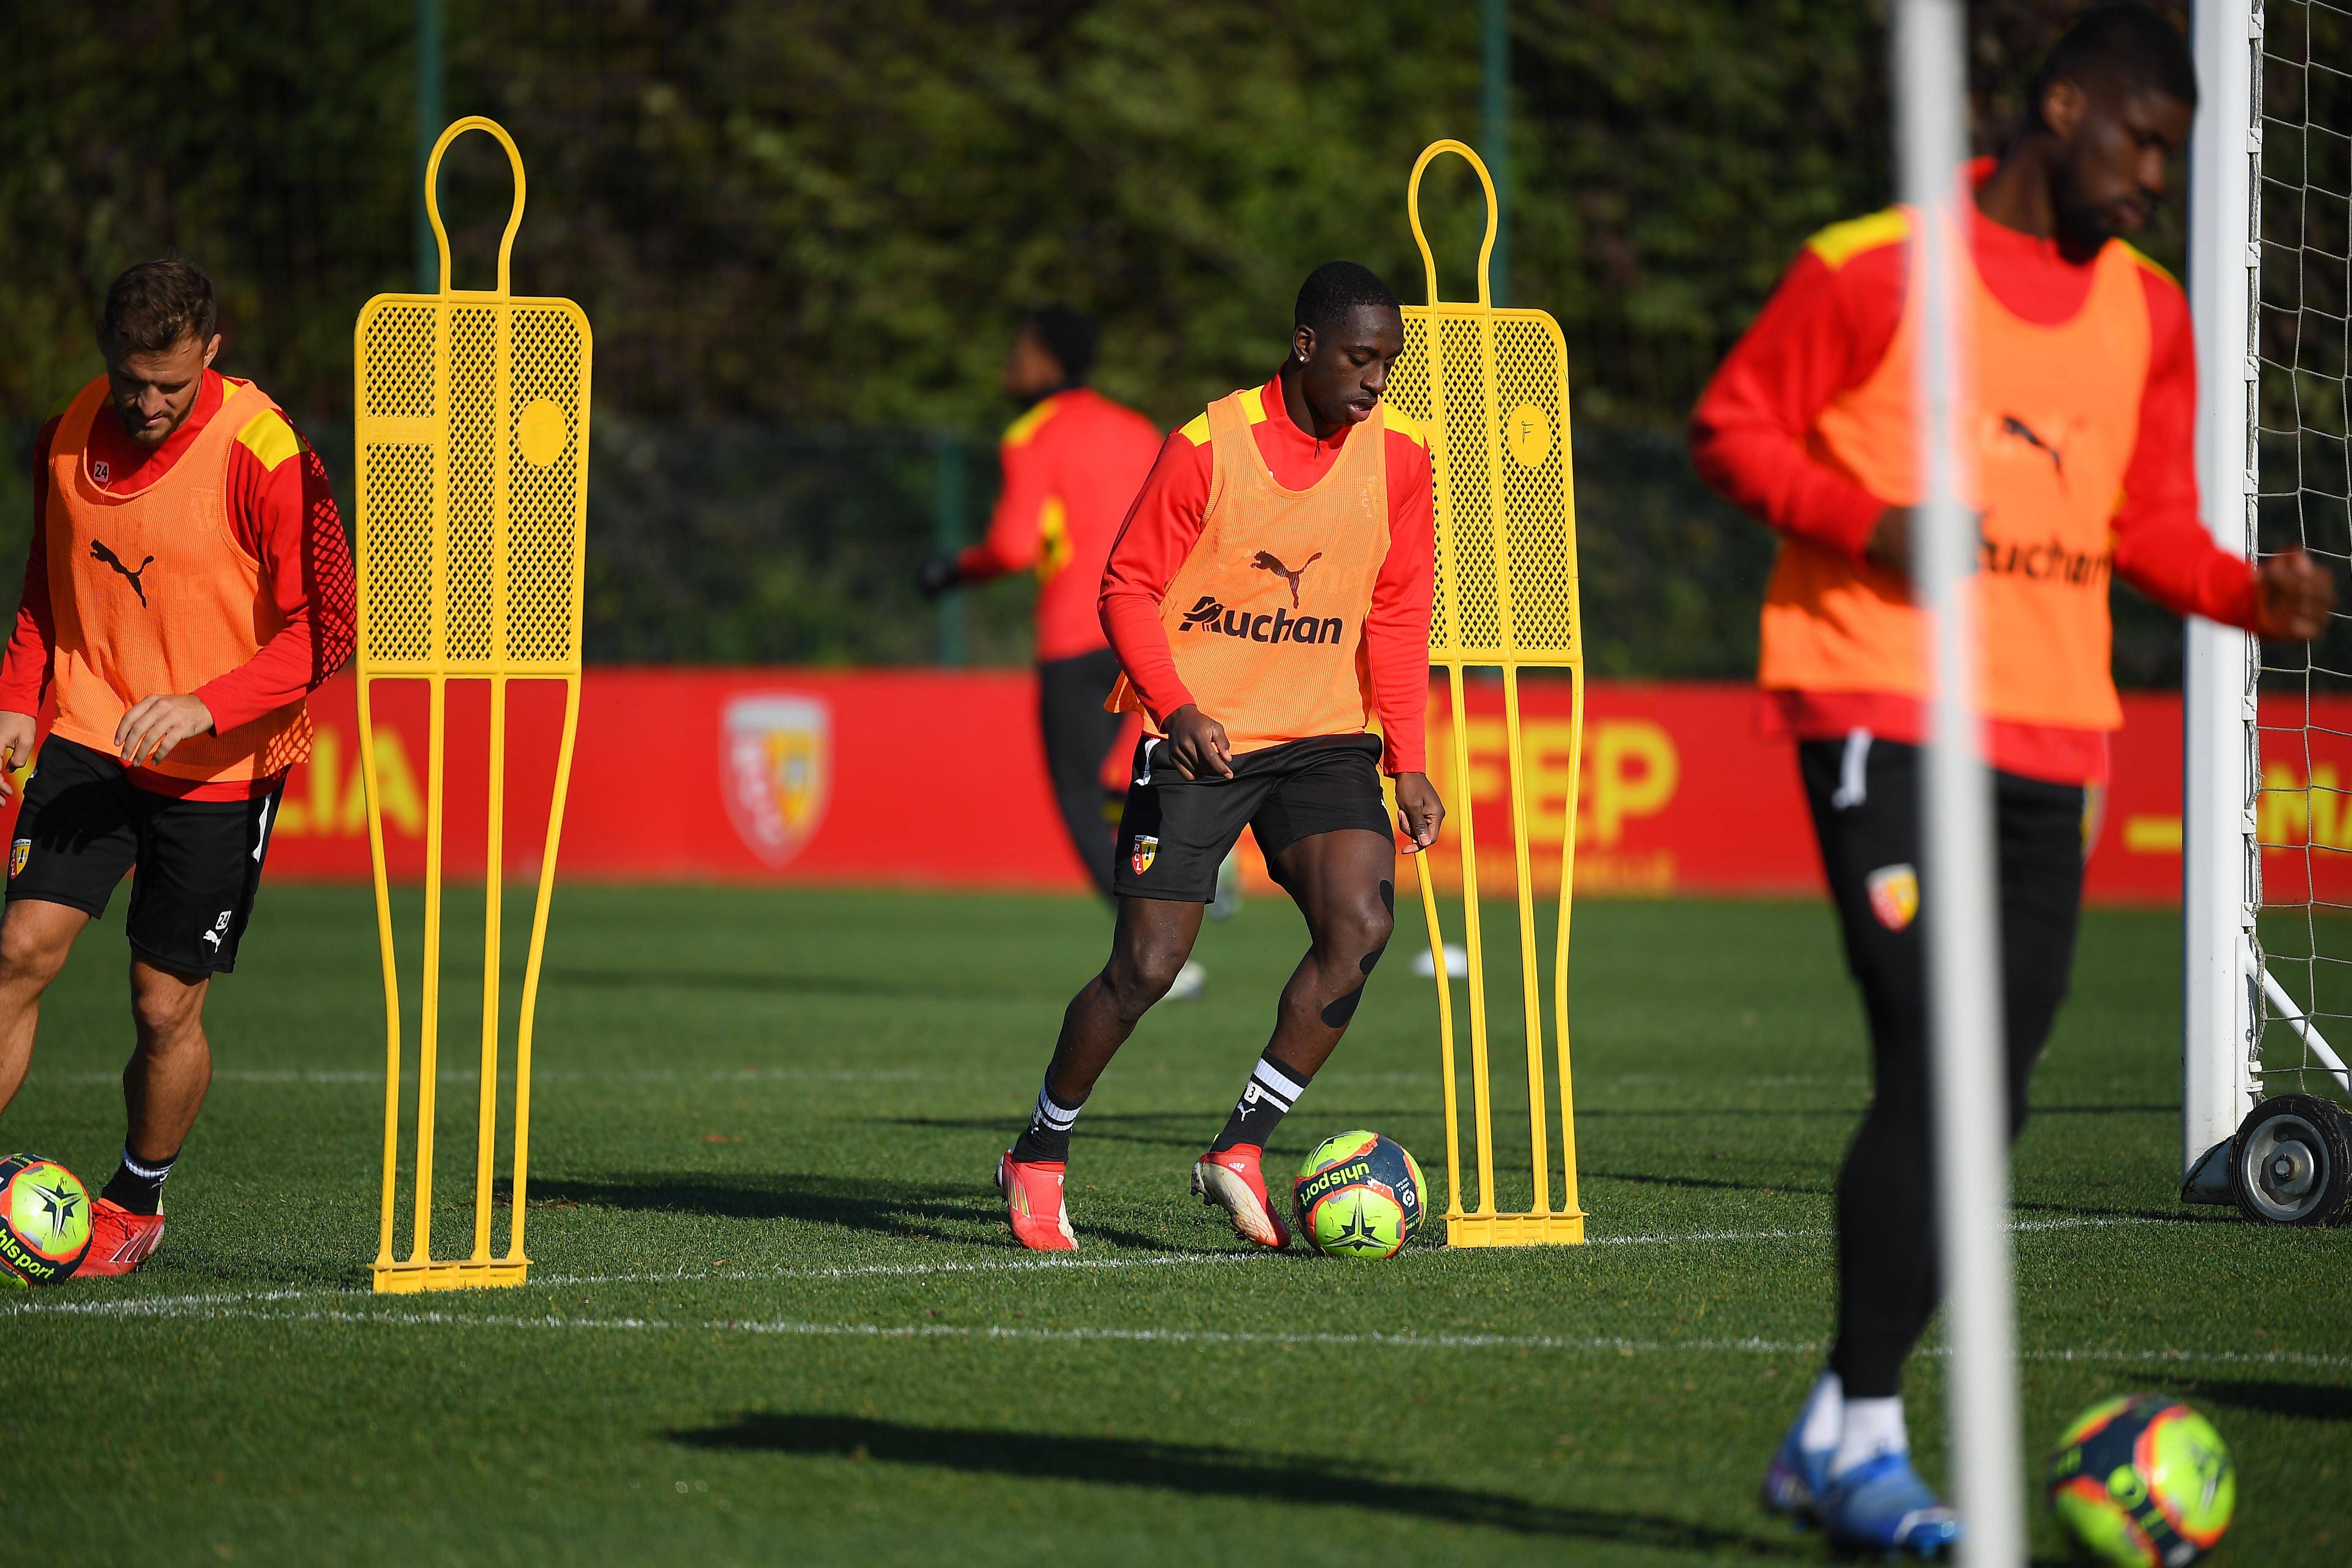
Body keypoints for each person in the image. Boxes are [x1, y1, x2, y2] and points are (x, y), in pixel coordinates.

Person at [1690, 7, 2336, 1554]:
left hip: (2048, 745)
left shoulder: (2149, 316)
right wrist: (1866, 520)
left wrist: (2251, 595)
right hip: (1880, 705)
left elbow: (2140, 529)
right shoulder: (1868, 265)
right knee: (1934, 1042)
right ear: (2062, 108)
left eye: (2168, 163)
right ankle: (1861, 1433)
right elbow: (1727, 426)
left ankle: (1830, 1436)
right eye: (2139, 148)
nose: (2148, 184)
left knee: (1988, 1093)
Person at [994, 261, 1445, 1253]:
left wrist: (1407, 756)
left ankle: (1240, 1146)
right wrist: (1178, 705)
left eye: (1390, 365)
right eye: (1360, 360)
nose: (1376, 383)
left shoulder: (1402, 458)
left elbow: (1400, 607)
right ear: (1305, 347)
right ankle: (1039, 1148)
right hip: (1203, 739)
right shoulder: (1208, 445)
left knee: (1362, 923)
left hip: (1325, 735)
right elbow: (1124, 586)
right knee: (1145, 968)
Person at [0, 259, 357, 1275]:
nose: (146, 402)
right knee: (21, 947)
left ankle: (136, 1198)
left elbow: (326, 633)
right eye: (129, 379)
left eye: (169, 382)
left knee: (163, 1001)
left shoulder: (267, 453)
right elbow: (44, 578)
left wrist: (205, 703)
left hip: (221, 764)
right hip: (90, 729)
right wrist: (18, 701)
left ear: (213, 348)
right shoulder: (69, 432)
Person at [918, 308, 1201, 955]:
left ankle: (1147, 936)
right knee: (1121, 780)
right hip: (1148, 630)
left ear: (1047, 361)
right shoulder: (1136, 430)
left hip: (1076, 634)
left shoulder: (1031, 437)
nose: (1007, 363)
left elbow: (1014, 548)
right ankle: (1196, 856)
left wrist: (952, 571)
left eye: (1017, 350)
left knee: (1077, 793)